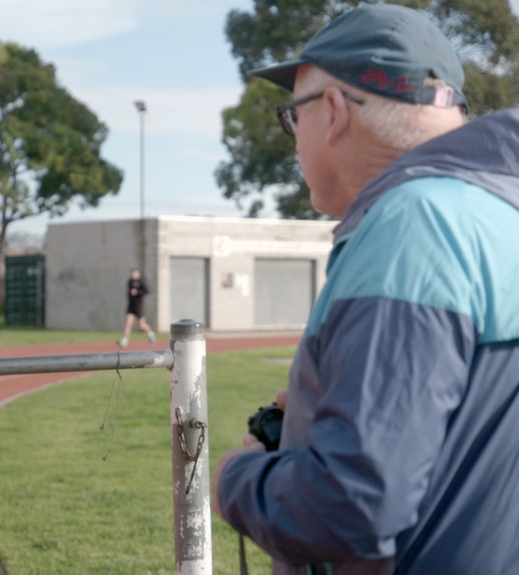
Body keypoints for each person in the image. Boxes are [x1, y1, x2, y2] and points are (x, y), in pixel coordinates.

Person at [212, 3, 519, 574]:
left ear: (331, 111)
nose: (293, 138)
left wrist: (235, 478)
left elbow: (352, 508)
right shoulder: (498, 213)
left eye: (291, 117)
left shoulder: (413, 226)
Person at [117, 268, 156, 348]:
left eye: (134, 273)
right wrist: (128, 294)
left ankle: (150, 333)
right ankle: (125, 340)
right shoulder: (130, 281)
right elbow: (129, 291)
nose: (133, 275)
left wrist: (137, 292)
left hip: (139, 306)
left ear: (138, 274)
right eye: (132, 274)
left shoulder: (142, 281)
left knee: (142, 325)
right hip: (131, 305)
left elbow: (147, 291)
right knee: (128, 322)